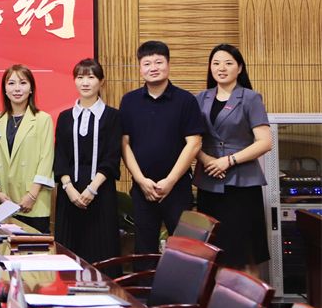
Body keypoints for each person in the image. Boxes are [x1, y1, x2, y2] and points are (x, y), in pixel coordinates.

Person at [120, 40, 205, 256]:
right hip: (143, 189)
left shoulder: (186, 100)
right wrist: (141, 180)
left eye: (159, 62)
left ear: (168, 64)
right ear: (140, 67)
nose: (153, 67)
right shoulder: (129, 101)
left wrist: (170, 181)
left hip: (177, 188)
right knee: (143, 250)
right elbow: (124, 144)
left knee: (184, 251)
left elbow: (194, 143)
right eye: (147, 63)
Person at [195, 43, 272, 271]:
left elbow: (265, 142)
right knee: (212, 252)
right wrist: (206, 160)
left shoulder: (250, 98)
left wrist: (228, 161)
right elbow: (190, 139)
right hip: (209, 182)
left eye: (228, 63)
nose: (221, 68)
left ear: (239, 68)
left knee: (244, 253)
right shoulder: (200, 98)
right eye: (216, 63)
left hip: (242, 184)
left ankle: (249, 295)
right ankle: (215, 295)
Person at [53, 59, 122, 262]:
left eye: (91, 77)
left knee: (102, 254)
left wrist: (92, 189)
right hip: (69, 195)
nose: (85, 82)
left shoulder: (113, 116)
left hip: (101, 193)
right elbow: (60, 156)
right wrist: (69, 188)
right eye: (80, 77)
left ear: (101, 81)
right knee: (68, 256)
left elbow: (112, 156)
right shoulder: (65, 117)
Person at [0, 64, 55, 233]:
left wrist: (32, 195)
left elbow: (46, 159)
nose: (17, 89)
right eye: (11, 83)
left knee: (33, 247)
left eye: (23, 83)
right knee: (2, 247)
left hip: (33, 202)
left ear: (31, 88)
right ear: (5, 89)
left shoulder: (43, 119)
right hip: (3, 201)